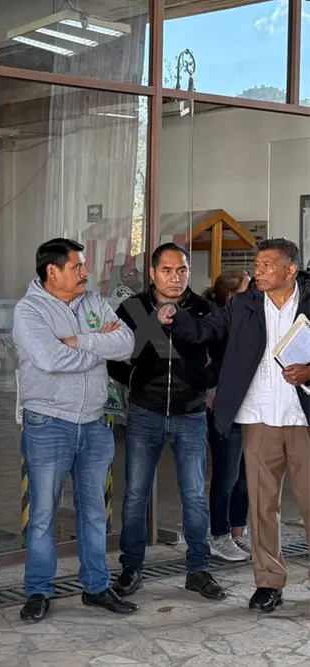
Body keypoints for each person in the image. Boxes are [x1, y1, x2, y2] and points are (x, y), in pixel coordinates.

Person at [159, 238, 310, 613]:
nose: (257, 271)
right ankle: (268, 583)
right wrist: (175, 317)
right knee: (261, 506)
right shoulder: (243, 303)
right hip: (258, 418)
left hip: (302, 416)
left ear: (290, 270)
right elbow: (204, 330)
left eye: (266, 265)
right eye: (256, 265)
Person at [12, 238, 136, 623]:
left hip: (96, 423)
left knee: (95, 511)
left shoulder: (95, 303)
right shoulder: (29, 310)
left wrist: (80, 341)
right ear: (53, 271)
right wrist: (99, 348)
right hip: (48, 423)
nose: (85, 273)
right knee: (44, 513)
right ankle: (38, 590)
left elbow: (127, 342)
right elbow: (49, 358)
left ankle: (97, 587)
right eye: (77, 266)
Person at [106, 243, 226, 600]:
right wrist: (134, 379)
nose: (176, 277)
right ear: (154, 273)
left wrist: (203, 381)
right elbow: (115, 357)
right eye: (168, 271)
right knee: (136, 495)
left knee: (193, 495)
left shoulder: (205, 310)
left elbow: (222, 353)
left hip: (190, 415)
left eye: (182, 270)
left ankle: (199, 570)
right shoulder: (133, 309)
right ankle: (131, 568)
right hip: (145, 413)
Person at [201, 269, 251, 561]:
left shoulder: (249, 323)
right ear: (232, 297)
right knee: (226, 476)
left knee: (245, 476)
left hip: (249, 410)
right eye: (248, 290)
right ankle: (219, 535)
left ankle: (237, 532)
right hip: (223, 410)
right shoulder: (217, 325)